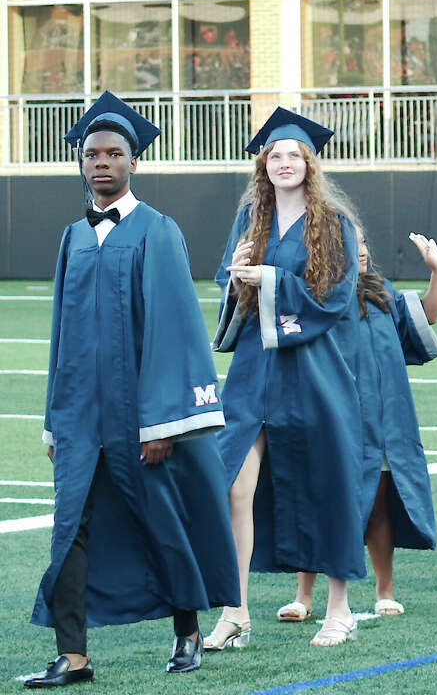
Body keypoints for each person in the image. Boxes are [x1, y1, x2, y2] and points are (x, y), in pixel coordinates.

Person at [26, 92, 238, 687]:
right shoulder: (74, 237)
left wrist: (162, 424)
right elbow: (60, 337)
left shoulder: (156, 232)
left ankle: (188, 630)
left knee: (161, 522)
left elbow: (173, 332)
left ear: (133, 163)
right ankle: (74, 656)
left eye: (113, 153)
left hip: (140, 420)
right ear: (81, 162)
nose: (101, 163)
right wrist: (53, 420)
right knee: (68, 531)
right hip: (78, 419)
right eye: (91, 153)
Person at [205, 108, 365, 649]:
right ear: (263, 164)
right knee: (233, 485)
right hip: (254, 370)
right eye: (274, 154)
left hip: (313, 369)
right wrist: (237, 276)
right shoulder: (250, 218)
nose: (283, 162)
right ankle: (236, 610)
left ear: (310, 163)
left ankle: (340, 609)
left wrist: (272, 278)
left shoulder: (335, 222)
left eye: (294, 154)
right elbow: (231, 294)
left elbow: (336, 300)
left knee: (327, 483)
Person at [278, 229, 437, 622]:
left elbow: (427, 316)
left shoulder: (382, 294)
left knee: (378, 506)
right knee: (321, 502)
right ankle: (304, 596)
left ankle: (384, 591)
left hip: (384, 420)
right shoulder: (315, 298)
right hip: (332, 419)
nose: (364, 250)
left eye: (366, 241)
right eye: (354, 243)